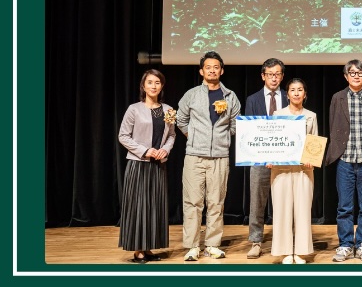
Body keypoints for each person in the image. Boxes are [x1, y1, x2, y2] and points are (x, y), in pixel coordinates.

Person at [176, 50, 241, 261]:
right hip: (194, 156)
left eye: (216, 67)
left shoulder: (230, 96)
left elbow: (235, 124)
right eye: (208, 67)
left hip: (220, 157)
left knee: (216, 202)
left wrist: (222, 139)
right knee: (193, 202)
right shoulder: (192, 94)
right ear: (201, 71)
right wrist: (194, 137)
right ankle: (192, 246)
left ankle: (212, 245)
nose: (212, 70)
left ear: (222, 71)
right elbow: (181, 120)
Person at [323, 59, 362, 262]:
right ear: (346, 76)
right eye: (352, 73)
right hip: (345, 159)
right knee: (344, 207)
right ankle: (345, 244)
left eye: (360, 73)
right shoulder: (337, 97)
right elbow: (333, 126)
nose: (356, 76)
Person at [118, 69, 176, 263]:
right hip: (138, 164)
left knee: (154, 206)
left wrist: (165, 150)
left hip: (158, 165)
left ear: (162, 86)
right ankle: (138, 250)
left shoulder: (168, 110)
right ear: (143, 86)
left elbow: (172, 135)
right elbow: (123, 136)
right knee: (138, 206)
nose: (153, 86)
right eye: (150, 82)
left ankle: (149, 247)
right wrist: (145, 151)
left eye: (157, 82)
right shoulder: (134, 109)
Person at [270, 78, 318, 264]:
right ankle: (284, 252)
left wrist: (312, 159)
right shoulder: (277, 114)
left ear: (305, 94)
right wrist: (270, 157)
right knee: (282, 210)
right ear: (287, 94)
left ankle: (300, 251)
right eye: (292, 90)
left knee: (302, 210)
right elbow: (271, 139)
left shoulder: (311, 115)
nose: (296, 93)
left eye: (300, 90)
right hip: (280, 169)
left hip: (303, 170)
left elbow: (314, 142)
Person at [244, 58, 288, 259]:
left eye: (277, 74)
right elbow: (249, 131)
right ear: (263, 76)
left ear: (282, 76)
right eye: (270, 74)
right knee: (257, 201)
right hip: (259, 159)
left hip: (284, 159)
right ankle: (256, 241)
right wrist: (264, 155)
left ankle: (284, 239)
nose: (274, 78)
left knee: (284, 201)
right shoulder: (252, 100)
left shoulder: (289, 96)